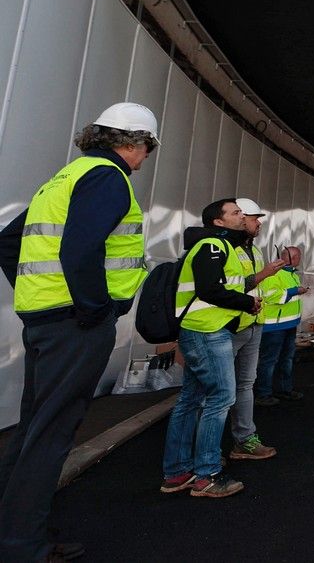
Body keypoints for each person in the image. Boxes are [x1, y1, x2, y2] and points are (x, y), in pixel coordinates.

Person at [0, 103, 157, 561]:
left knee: (34, 428)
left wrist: (39, 295)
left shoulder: (65, 178)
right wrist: (93, 309)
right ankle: (21, 547)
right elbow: (81, 249)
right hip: (75, 326)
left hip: (47, 321)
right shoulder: (109, 178)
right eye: (146, 148)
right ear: (132, 142)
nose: (145, 158)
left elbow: (9, 241)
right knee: (51, 434)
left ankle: (13, 532)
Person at [160, 198, 263, 498]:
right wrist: (247, 302)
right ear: (218, 222)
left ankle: (177, 472)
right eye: (234, 213)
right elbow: (210, 290)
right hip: (207, 331)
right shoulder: (212, 246)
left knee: (191, 399)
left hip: (201, 330)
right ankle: (206, 475)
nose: (241, 216)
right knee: (221, 397)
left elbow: (220, 285)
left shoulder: (217, 246)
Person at [226, 197, 282, 460]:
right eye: (254, 218)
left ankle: (244, 439)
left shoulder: (255, 251)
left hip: (253, 324)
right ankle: (204, 453)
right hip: (229, 326)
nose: (258, 223)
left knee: (246, 384)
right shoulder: (225, 248)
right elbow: (226, 288)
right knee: (217, 390)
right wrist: (266, 273)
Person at [254, 245, 309, 405]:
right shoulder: (273, 274)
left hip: (289, 324)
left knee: (287, 359)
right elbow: (270, 296)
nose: (299, 259)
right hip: (274, 327)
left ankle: (285, 389)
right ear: (288, 258)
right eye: (297, 256)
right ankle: (263, 394)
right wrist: (295, 291)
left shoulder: (292, 274)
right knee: (269, 360)